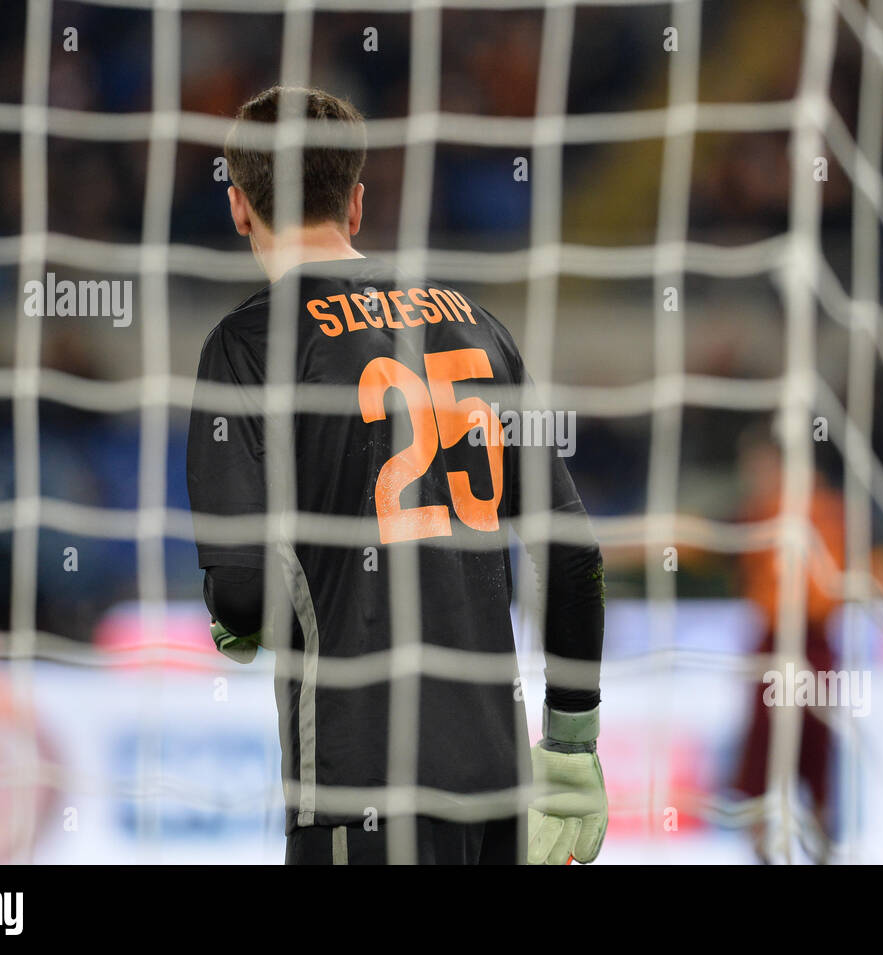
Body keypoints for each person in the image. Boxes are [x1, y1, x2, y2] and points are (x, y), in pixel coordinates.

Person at [186, 87, 607, 865]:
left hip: (362, 787)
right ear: (356, 203)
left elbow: (241, 591)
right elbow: (574, 553)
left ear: (240, 207)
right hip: (502, 790)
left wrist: (242, 612)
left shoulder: (246, 347)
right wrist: (572, 741)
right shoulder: (480, 327)